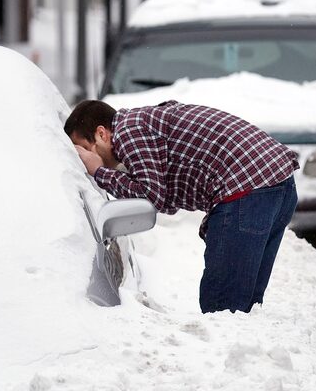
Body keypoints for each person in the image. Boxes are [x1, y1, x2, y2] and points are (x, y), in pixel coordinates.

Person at [65, 99, 298, 313]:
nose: (84, 158)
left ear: (101, 133)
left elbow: (150, 198)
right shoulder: (144, 122)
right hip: (278, 183)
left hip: (248, 189)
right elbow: (161, 192)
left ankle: (225, 356)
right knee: (245, 307)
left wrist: (98, 171)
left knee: (223, 307)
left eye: (83, 149)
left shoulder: (128, 132)